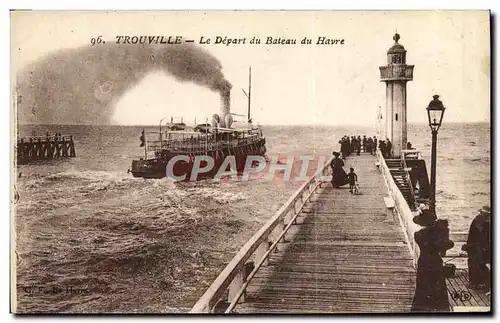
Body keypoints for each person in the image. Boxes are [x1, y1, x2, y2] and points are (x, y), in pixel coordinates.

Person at [462, 206, 491, 289]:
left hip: (477, 248)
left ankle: (475, 283)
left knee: (475, 265)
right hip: (479, 247)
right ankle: (482, 283)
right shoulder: (485, 221)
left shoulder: (479, 219)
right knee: (481, 265)